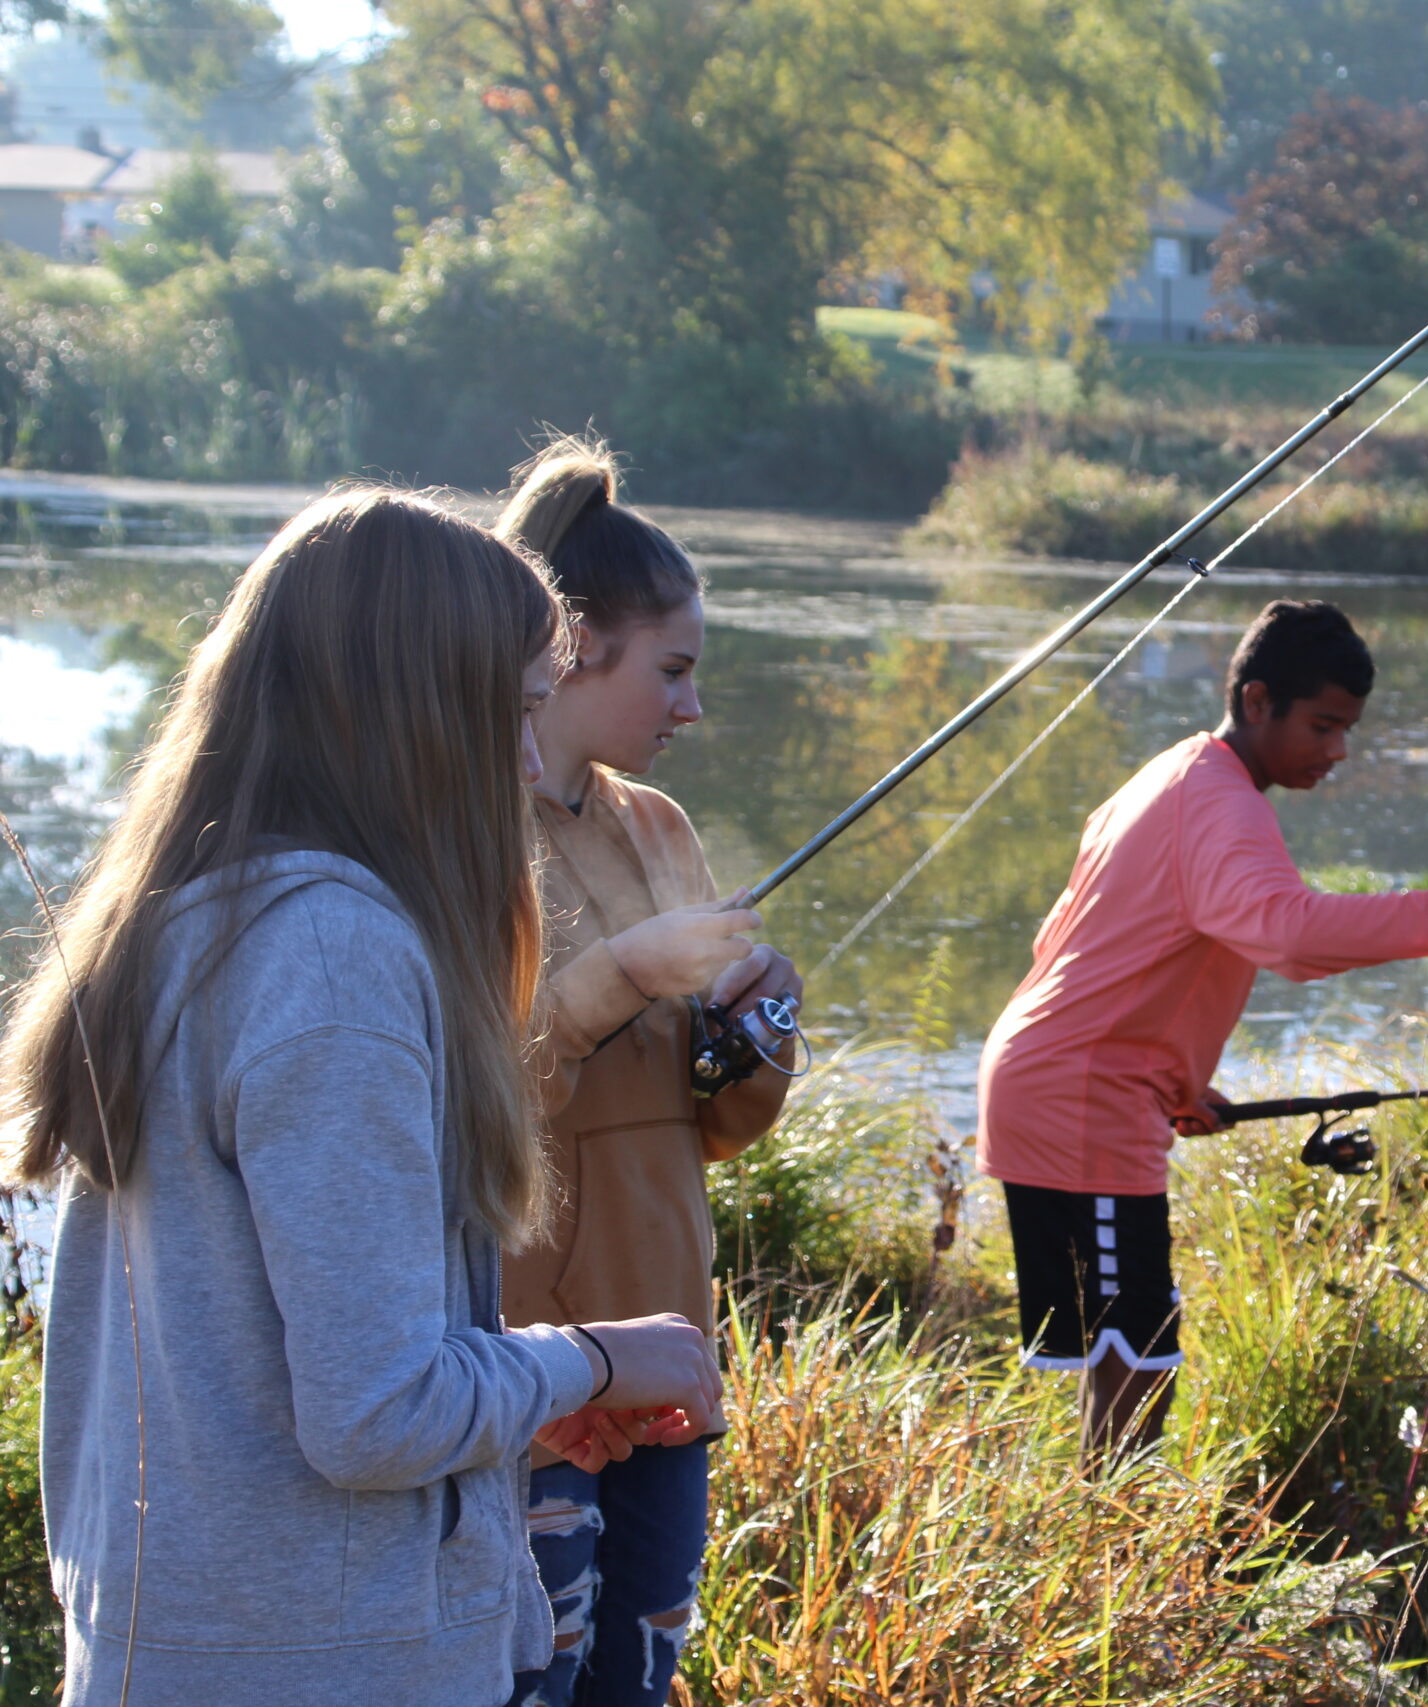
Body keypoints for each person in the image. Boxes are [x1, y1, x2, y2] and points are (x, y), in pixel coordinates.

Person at [0, 490, 719, 1707]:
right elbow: (376, 1417)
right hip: (326, 1659)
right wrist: (597, 1359)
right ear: (429, 719)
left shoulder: (187, 922)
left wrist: (511, 1400)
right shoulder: (335, 958)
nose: (532, 761)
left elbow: (280, 1361)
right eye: (526, 710)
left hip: (185, 1639)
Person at [978, 600, 1428, 1458]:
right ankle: (1110, 1547)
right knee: (1138, 1356)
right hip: (1076, 1097)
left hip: (1077, 1081)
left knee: (1131, 1350)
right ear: (1257, 700)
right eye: (1323, 724)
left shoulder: (1180, 775)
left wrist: (1175, 1080)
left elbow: (1091, 942)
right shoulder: (1219, 802)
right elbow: (1294, 936)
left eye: (1349, 729)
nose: (1337, 750)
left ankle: (1110, 1538)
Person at [494, 440, 802, 1707]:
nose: (690, 708)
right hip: (527, 1369)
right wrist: (621, 972)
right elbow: (475, 1101)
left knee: (640, 1676)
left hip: (672, 1358)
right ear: (570, 648)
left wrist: (757, 1024)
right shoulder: (461, 826)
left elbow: (716, 1129)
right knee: (528, 1677)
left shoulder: (657, 827)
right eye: (671, 673)